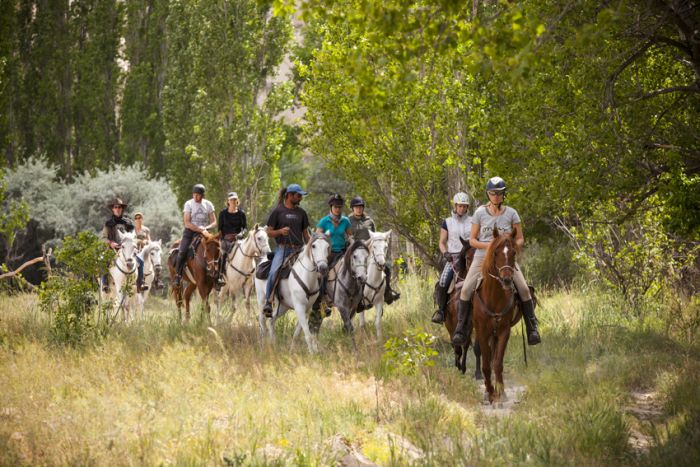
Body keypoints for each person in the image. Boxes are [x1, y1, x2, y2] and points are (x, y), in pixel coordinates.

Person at [452, 177, 541, 346]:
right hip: (482, 257)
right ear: (488, 194)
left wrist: (510, 246)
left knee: (524, 289)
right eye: (493, 194)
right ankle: (461, 329)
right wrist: (492, 246)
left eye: (499, 194)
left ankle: (532, 328)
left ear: (503, 195)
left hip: (505, 258)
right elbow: (472, 240)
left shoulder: (512, 213)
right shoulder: (479, 213)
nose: (496, 197)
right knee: (465, 290)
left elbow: (520, 239)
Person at [262, 183, 311, 317]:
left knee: (316, 269)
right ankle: (268, 301)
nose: (300, 198)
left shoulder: (302, 213)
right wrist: (280, 231)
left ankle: (321, 301)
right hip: (283, 249)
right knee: (273, 271)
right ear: (289, 195)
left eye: (301, 196)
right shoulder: (278, 211)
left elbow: (306, 234)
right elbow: (268, 232)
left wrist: (312, 246)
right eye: (298, 195)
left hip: (300, 249)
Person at [348, 196, 400, 305]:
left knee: (386, 268)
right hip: (355, 250)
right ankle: (348, 295)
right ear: (352, 208)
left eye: (361, 207)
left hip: (369, 250)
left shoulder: (369, 221)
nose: (359, 209)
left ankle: (388, 293)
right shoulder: (348, 221)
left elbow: (375, 237)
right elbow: (346, 236)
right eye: (356, 207)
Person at [432, 192, 472, 324]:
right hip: (453, 257)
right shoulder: (447, 222)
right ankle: (441, 311)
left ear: (467, 207)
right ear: (455, 206)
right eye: (460, 206)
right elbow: (442, 242)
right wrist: (445, 253)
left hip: (469, 256)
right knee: (443, 281)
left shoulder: (472, 221)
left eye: (464, 206)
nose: (462, 209)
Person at [314, 193, 353, 316]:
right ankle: (323, 301)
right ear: (331, 207)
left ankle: (357, 298)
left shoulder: (345, 221)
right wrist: (324, 236)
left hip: (342, 252)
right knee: (323, 274)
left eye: (340, 207)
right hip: (329, 254)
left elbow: (350, 235)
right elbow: (317, 237)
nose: (338, 209)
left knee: (356, 270)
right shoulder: (324, 221)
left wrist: (353, 243)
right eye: (335, 207)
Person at [174, 184, 217, 287]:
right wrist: (199, 229)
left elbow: (214, 221)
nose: (195, 197)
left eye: (198, 195)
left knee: (216, 248)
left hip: (205, 232)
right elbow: (187, 223)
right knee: (182, 251)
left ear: (202, 195)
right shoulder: (189, 204)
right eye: (194, 195)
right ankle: (178, 275)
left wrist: (206, 228)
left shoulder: (208, 204)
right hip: (190, 232)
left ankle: (218, 276)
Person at [100, 198, 145, 292]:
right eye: (115, 207)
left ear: (122, 209)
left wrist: (138, 241)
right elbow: (103, 238)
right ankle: (105, 284)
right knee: (103, 260)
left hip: (128, 250)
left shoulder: (128, 222)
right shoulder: (108, 223)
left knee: (140, 261)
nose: (117, 209)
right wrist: (110, 243)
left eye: (119, 207)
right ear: (113, 209)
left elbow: (134, 236)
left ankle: (140, 283)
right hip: (113, 250)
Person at [216, 191, 248, 288]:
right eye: (231, 200)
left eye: (235, 199)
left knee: (247, 252)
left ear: (237, 201)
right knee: (223, 255)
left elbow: (245, 228)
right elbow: (220, 229)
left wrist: (240, 234)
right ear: (228, 201)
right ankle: (220, 276)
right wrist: (222, 240)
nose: (233, 201)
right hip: (226, 240)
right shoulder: (223, 213)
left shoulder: (241, 214)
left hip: (238, 239)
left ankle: (249, 273)